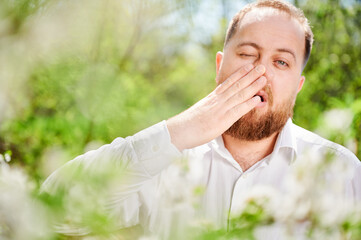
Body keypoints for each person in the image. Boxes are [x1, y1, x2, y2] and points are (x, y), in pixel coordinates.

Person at [42, 0, 361, 239]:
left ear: (298, 85)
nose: (259, 72)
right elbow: (52, 212)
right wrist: (180, 132)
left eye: (281, 62)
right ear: (219, 66)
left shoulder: (343, 173)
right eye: (248, 54)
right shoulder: (162, 161)